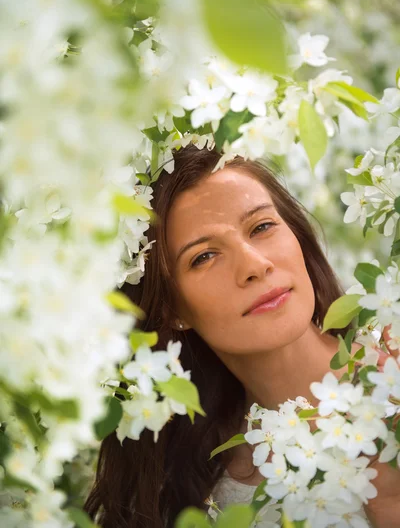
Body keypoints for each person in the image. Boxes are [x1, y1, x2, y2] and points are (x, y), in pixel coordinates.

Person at [85, 144, 400, 528]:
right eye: (203, 256)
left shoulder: (393, 376)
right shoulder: (198, 495)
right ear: (172, 309)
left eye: (262, 227)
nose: (254, 265)